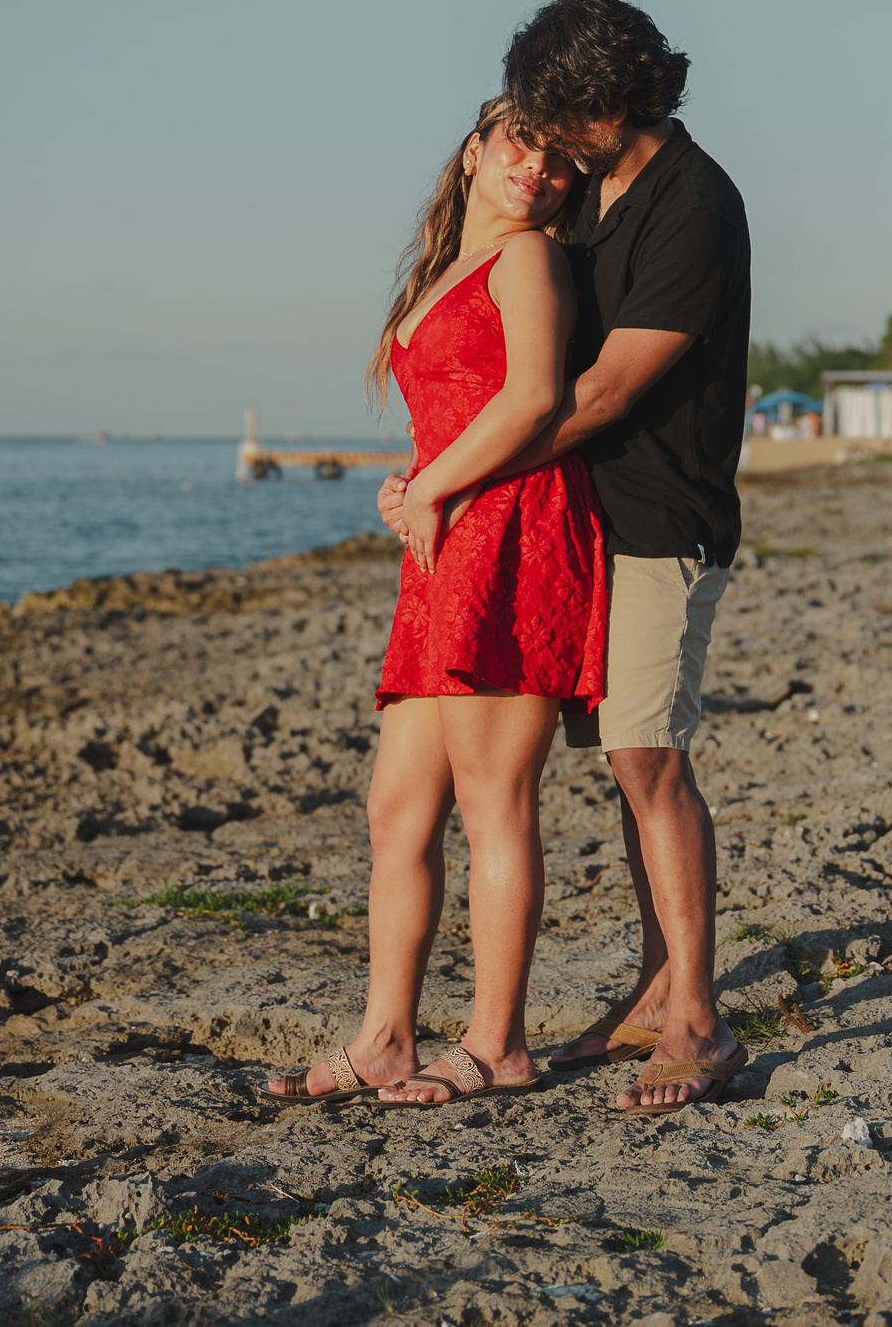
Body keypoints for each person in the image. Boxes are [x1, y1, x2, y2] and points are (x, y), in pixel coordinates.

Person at [383, 0, 753, 1112]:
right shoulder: (593, 193)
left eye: (555, 119)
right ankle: (655, 988)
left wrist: (452, 477)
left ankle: (697, 1015)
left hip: (657, 517)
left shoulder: (693, 202)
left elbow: (599, 389)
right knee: (616, 767)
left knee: (648, 759)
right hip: (574, 525)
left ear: (606, 104)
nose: (540, 147)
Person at [259, 96, 606, 1110]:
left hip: (511, 532)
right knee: (396, 812)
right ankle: (384, 1038)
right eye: (517, 144)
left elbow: (534, 398)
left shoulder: (533, 260)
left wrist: (441, 483)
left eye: (557, 159)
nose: (536, 168)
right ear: (472, 150)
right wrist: (411, 485)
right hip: (444, 542)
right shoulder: (447, 267)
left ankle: (496, 1044)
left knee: (495, 805)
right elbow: (455, 412)